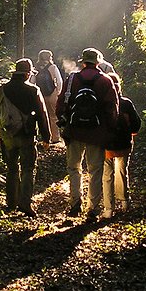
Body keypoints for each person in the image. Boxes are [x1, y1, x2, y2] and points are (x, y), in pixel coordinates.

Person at [56, 48, 118, 220]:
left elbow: (61, 103)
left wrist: (63, 121)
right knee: (95, 170)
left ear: (83, 62)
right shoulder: (105, 80)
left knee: (74, 167)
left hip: (74, 130)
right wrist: (110, 130)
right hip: (96, 133)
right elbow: (112, 108)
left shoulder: (72, 79)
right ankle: (92, 208)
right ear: (98, 62)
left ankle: (75, 203)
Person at [0, 58, 51, 217]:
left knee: (11, 168)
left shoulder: (2, 89)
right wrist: (46, 136)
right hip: (26, 135)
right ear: (28, 74)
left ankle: (11, 202)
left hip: (7, 135)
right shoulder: (33, 90)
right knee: (28, 169)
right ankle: (25, 203)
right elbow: (42, 115)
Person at [102, 73, 142, 218]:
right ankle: (125, 202)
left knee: (107, 175)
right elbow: (136, 125)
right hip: (124, 143)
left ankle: (108, 209)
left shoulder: (102, 103)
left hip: (105, 145)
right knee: (122, 172)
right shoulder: (126, 103)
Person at [31, 49, 64, 143]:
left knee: (42, 115)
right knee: (53, 116)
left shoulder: (36, 68)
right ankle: (55, 138)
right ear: (49, 57)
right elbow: (59, 81)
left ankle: (45, 137)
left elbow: (32, 81)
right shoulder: (52, 67)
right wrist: (58, 92)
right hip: (52, 93)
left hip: (40, 94)